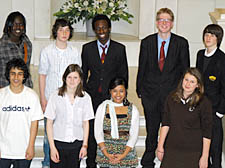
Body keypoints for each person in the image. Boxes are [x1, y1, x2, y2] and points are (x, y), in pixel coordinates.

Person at [136, 8, 190, 168]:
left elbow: (184, 70)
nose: (164, 23)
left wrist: (182, 94)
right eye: (161, 20)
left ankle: (169, 160)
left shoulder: (181, 43)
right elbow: (142, 67)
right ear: (157, 23)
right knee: (152, 130)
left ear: (172, 23)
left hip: (172, 95)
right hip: (150, 94)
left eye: (167, 20)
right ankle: (148, 161)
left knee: (171, 130)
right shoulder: (147, 42)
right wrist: (140, 90)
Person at [81, 14, 128, 168]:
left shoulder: (119, 49)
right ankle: (91, 163)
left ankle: (110, 162)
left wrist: (120, 97)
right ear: (94, 30)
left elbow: (123, 75)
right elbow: (83, 73)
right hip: (92, 96)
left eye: (104, 27)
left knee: (111, 132)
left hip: (112, 98)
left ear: (109, 28)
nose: (101, 30)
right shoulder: (87, 49)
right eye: (98, 28)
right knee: (94, 131)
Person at [38, 18, 81, 168]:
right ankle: (47, 163)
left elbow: (77, 76)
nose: (64, 33)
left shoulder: (74, 52)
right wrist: (43, 98)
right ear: (55, 31)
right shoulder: (47, 51)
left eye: (67, 30)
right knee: (48, 136)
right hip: (51, 99)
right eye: (61, 30)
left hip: (69, 100)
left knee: (67, 132)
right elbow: (42, 75)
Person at [156, 68, 212, 168]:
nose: (188, 84)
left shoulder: (204, 102)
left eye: (192, 81)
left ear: (198, 85)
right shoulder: (171, 98)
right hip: (172, 149)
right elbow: (165, 123)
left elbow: (207, 132)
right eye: (186, 80)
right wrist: (160, 146)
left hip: (193, 152)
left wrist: (205, 156)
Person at [44, 64, 94, 168]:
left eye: (75, 77)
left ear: (80, 79)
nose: (72, 80)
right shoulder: (55, 96)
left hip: (76, 145)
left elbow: (86, 123)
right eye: (69, 77)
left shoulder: (85, 98)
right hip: (58, 145)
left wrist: (85, 146)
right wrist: (52, 148)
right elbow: (49, 122)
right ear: (64, 78)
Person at [0, 58, 43, 168]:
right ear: (8, 75)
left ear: (24, 76)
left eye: (20, 74)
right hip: (3, 151)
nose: (16, 77)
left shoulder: (32, 96)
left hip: (23, 151)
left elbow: (34, 124)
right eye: (13, 74)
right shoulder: (1, 95)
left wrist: (31, 146)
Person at [196, 24, 225, 168]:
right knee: (201, 148)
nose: (208, 38)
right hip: (200, 108)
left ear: (218, 39)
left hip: (214, 111)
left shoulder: (222, 59)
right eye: (206, 34)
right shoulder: (200, 54)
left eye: (212, 35)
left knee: (215, 148)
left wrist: (220, 112)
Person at [94, 77, 139, 168]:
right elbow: (98, 133)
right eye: (115, 91)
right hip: (105, 153)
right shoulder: (103, 107)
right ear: (110, 91)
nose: (118, 94)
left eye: (121, 91)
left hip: (126, 153)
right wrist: (106, 154)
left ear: (125, 91)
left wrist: (123, 155)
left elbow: (134, 135)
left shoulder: (133, 109)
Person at [0, 11, 33, 88]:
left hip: (25, 89)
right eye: (15, 24)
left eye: (21, 24)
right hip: (6, 90)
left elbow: (26, 68)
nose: (18, 27)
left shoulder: (27, 43)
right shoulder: (2, 45)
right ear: (9, 26)